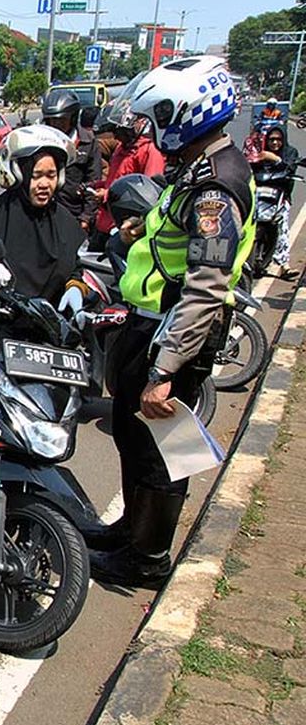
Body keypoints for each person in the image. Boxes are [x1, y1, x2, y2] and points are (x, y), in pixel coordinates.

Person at [90, 56, 254, 587]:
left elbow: (206, 283)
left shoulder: (215, 188)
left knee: (163, 450)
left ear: (187, 110)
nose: (155, 122)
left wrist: (165, 369)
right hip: (151, 322)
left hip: (174, 334)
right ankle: (129, 531)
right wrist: (143, 228)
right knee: (130, 434)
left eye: (161, 110)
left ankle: (147, 560)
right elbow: (180, 240)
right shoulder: (201, 169)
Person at [0, 125, 86, 342]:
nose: (45, 184)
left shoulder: (67, 223)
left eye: (51, 175)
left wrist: (76, 288)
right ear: (18, 174)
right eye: (37, 175)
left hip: (46, 336)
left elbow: (76, 268)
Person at [91, 106, 166, 248]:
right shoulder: (122, 148)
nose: (116, 137)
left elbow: (149, 193)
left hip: (125, 227)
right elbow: (115, 179)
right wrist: (96, 186)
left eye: (118, 131)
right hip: (105, 221)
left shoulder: (149, 150)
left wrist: (106, 194)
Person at [41, 89, 102, 232]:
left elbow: (93, 182)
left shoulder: (88, 142)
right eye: (52, 120)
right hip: (43, 213)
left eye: (61, 119)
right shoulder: (39, 141)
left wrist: (86, 218)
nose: (56, 124)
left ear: (73, 117)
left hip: (73, 214)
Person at [255, 124, 301, 279]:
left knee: (283, 227)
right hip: (259, 193)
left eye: (278, 140)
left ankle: (284, 265)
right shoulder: (258, 152)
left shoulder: (290, 152)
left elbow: (290, 167)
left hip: (280, 195)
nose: (275, 143)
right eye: (272, 139)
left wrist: (275, 159)